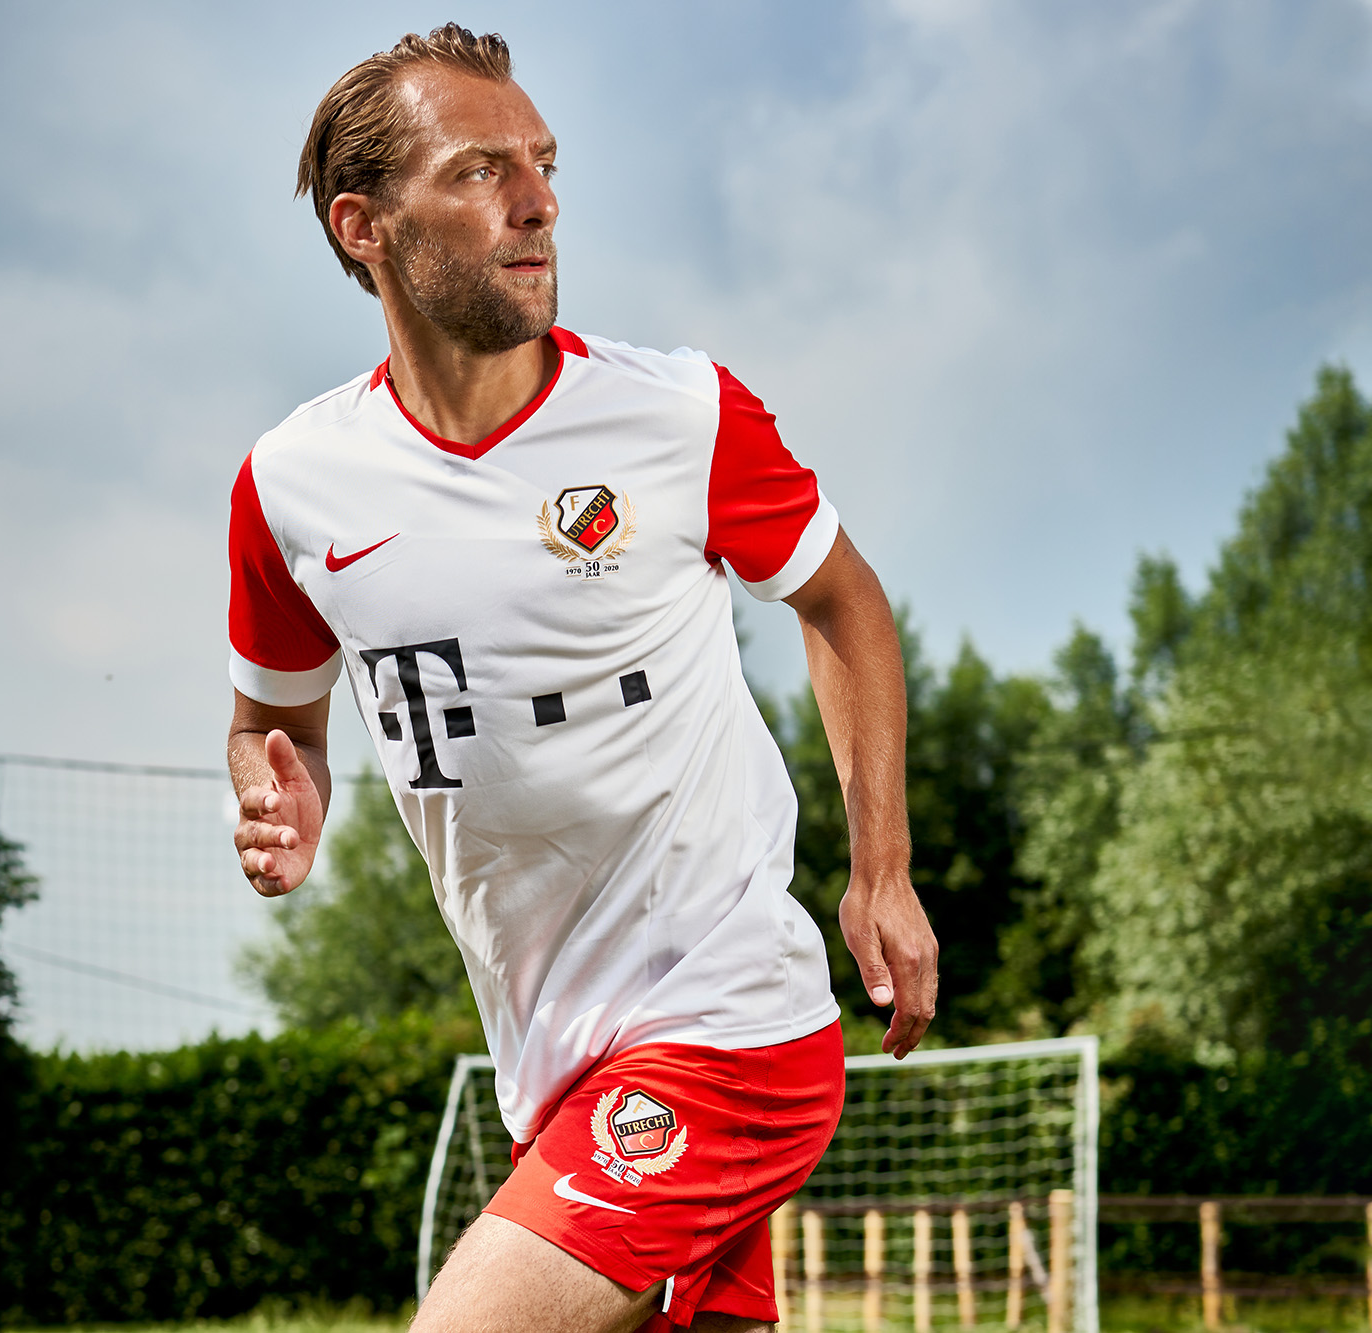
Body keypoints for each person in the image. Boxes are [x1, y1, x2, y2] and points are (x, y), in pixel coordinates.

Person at [224, 24, 937, 1333]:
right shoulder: (289, 486)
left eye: (543, 164)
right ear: (363, 226)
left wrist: (879, 868)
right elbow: (274, 725)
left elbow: (844, 600)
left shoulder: (681, 416)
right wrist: (285, 797)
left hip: (725, 1026)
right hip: (553, 1068)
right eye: (479, 170)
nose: (538, 201)